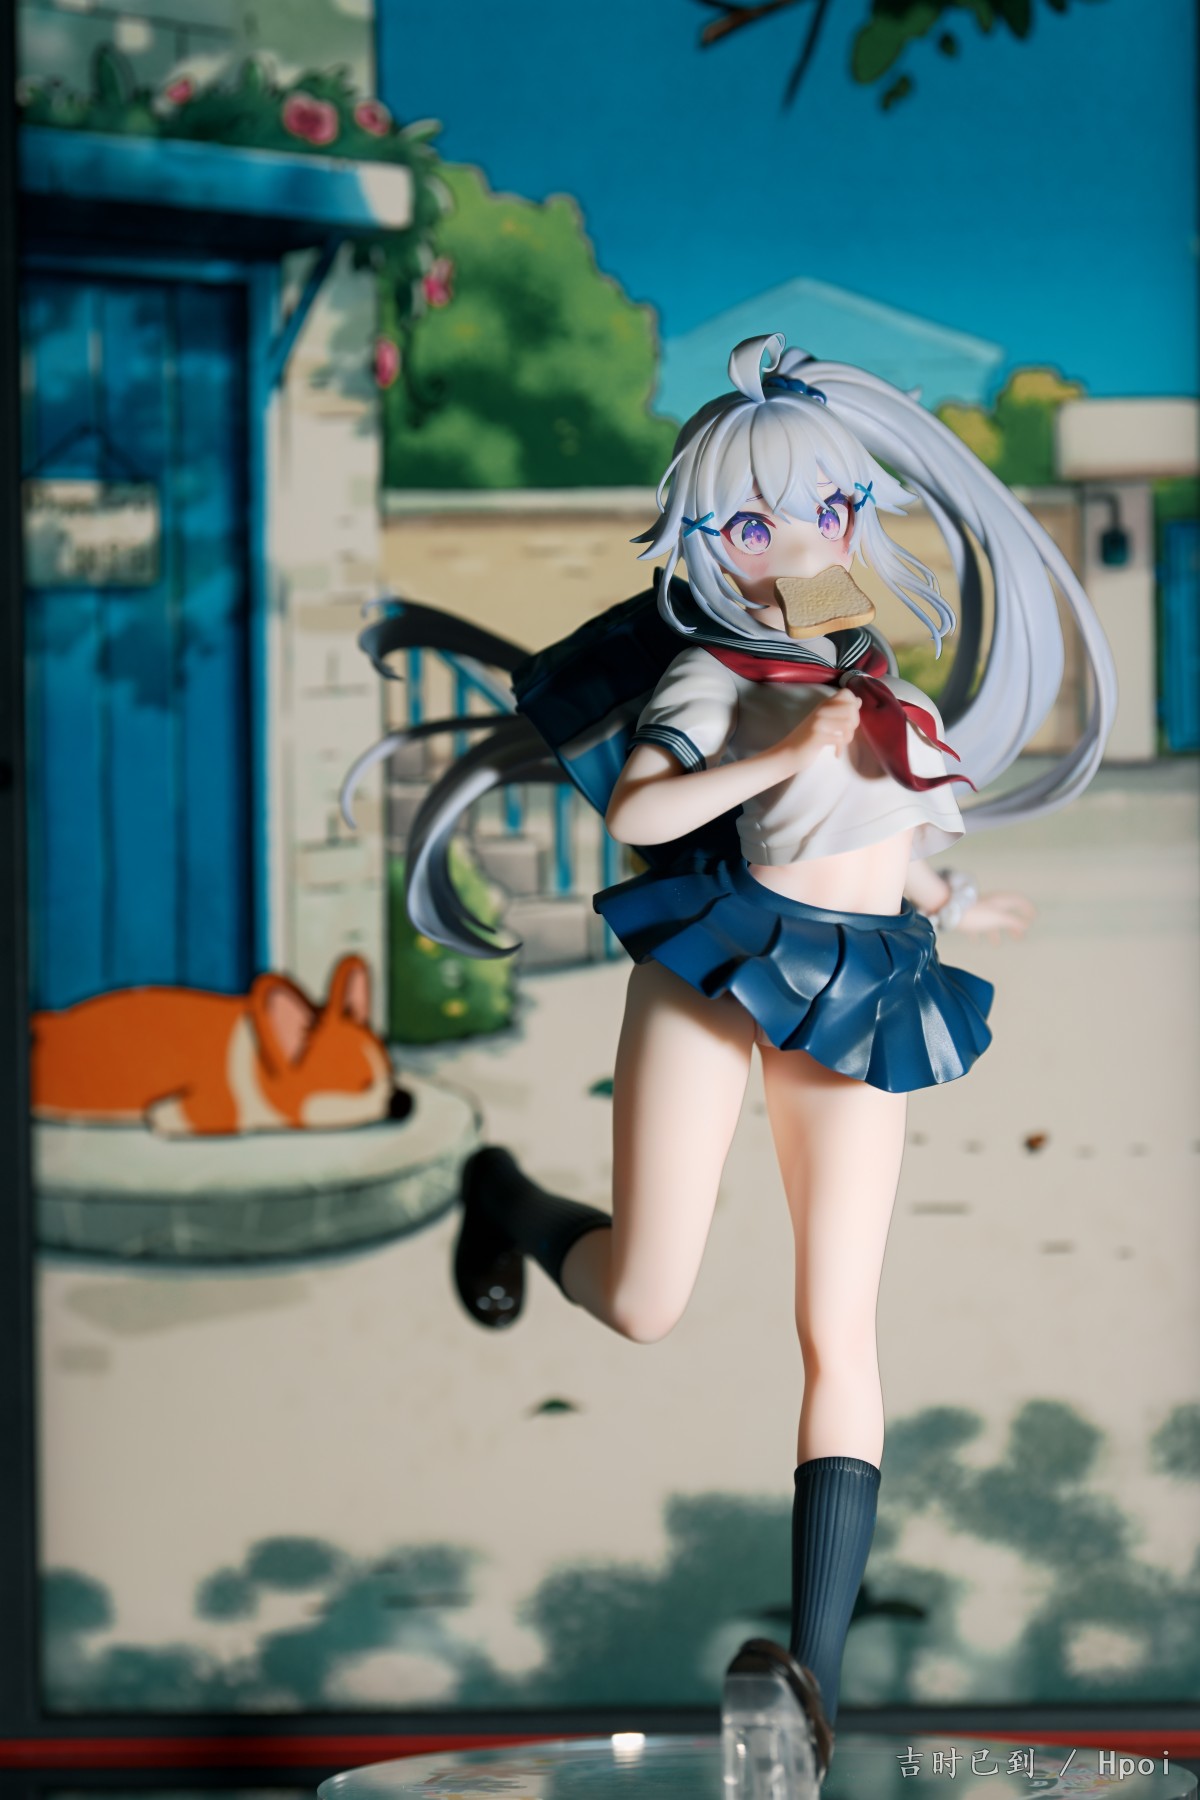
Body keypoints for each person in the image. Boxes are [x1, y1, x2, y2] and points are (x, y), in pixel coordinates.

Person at [347, 334, 1116, 1798]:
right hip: (720, 961)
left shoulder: (872, 670)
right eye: (750, 525)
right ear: (704, 539)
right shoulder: (714, 668)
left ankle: (811, 1677)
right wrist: (777, 749)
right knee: (646, 1300)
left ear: (857, 514)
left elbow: (886, 834)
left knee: (843, 1328)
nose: (794, 547)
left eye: (822, 510)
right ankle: (504, 1194)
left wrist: (954, 896)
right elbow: (643, 813)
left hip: (864, 985)